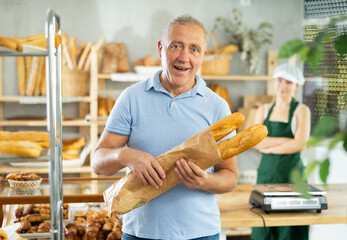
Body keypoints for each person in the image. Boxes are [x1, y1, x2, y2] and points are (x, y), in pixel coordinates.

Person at [92, 14, 239, 240]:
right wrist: (126, 155)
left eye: (194, 49)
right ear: (161, 48)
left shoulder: (217, 107)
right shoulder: (132, 98)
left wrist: (204, 181)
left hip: (201, 235)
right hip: (140, 234)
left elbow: (230, 176)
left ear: (203, 56)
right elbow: (98, 163)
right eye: (176, 46)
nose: (184, 57)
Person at [251, 64, 311, 240]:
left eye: (288, 82)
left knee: (290, 228)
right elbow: (254, 141)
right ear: (274, 81)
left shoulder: (301, 111)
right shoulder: (263, 110)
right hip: (266, 175)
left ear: (296, 86)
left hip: (292, 178)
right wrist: (288, 142)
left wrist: (267, 146)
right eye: (279, 80)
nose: (282, 86)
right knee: (264, 225)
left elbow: (300, 144)